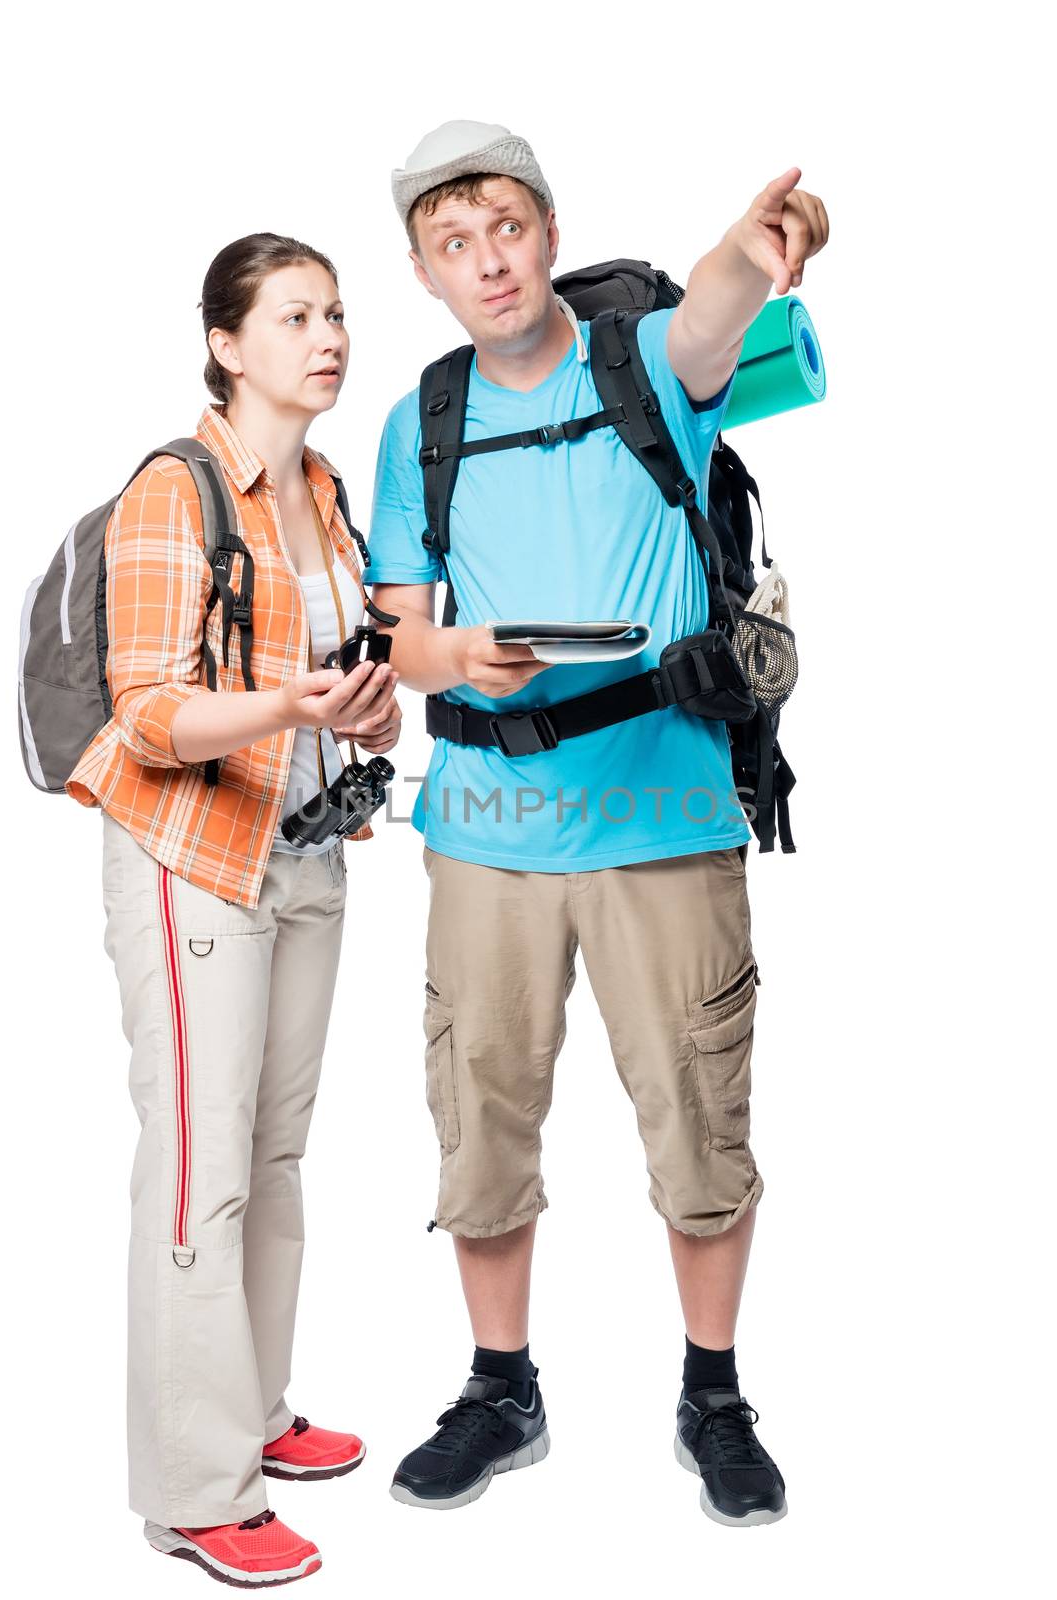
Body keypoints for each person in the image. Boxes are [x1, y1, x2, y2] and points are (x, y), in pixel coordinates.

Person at [366, 122, 828, 1525]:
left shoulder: (646, 366)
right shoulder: (421, 417)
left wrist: (758, 254)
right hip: (486, 830)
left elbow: (719, 311)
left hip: (666, 819)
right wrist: (463, 659)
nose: (487, 260)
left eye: (505, 228)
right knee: (481, 1122)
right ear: (428, 274)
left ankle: (713, 1390)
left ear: (550, 233)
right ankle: (501, 1389)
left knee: (698, 1119)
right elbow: (405, 636)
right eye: (454, 245)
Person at [66, 233, 402, 1585]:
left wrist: (362, 709)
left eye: (336, 314)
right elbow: (148, 713)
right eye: (294, 316)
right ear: (226, 343)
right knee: (199, 1171)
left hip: (307, 850)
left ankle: (253, 1413)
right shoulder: (173, 489)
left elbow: (340, 666)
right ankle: (198, 1490)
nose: (327, 336)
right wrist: (288, 705)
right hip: (191, 856)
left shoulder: (321, 491)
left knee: (274, 1153)